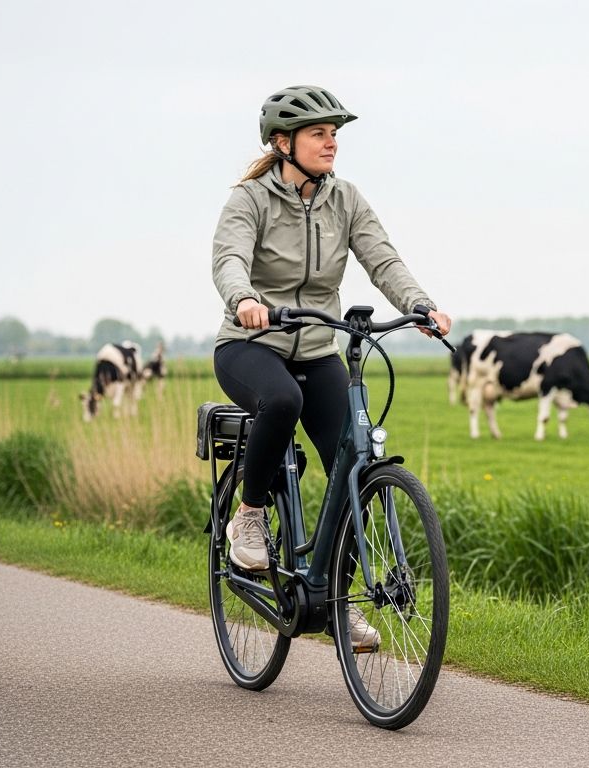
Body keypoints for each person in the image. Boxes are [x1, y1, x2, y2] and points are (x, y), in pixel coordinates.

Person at [211, 85, 451, 645]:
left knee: (354, 459)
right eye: (319, 133)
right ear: (282, 141)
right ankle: (248, 514)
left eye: (334, 134)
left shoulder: (347, 200)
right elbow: (229, 259)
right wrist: (245, 301)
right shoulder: (249, 200)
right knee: (283, 401)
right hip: (252, 345)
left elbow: (381, 258)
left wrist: (418, 303)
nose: (331, 144)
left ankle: (338, 599)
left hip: (319, 347)